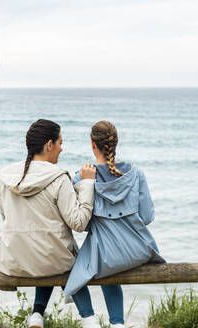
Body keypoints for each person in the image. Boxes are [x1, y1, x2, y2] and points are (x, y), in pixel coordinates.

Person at [0, 119, 103, 328]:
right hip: (52, 261)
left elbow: (5, 217)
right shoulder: (58, 178)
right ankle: (89, 319)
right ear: (49, 145)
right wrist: (87, 184)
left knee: (45, 250)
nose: (62, 148)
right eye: (60, 142)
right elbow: (78, 223)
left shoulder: (8, 178)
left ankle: (37, 315)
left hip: (14, 260)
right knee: (62, 256)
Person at [63, 120, 165, 328]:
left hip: (106, 255)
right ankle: (118, 324)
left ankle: (89, 321)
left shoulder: (80, 177)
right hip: (139, 251)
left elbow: (81, 220)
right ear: (116, 142)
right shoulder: (136, 173)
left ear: (92, 144)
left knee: (70, 265)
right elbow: (146, 217)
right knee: (108, 259)